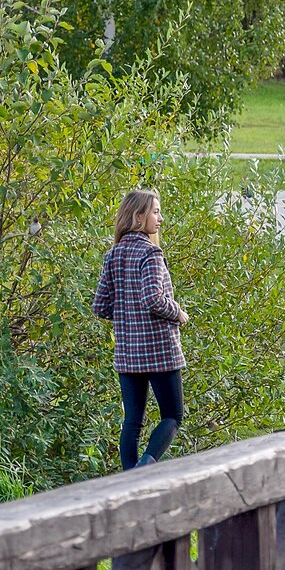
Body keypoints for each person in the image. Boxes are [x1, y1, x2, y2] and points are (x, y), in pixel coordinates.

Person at [92, 189, 189, 469]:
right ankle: (146, 467)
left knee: (132, 421)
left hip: (128, 354)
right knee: (172, 415)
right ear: (138, 216)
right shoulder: (151, 253)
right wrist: (179, 314)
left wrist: (125, 314)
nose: (160, 218)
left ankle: (127, 478)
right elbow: (153, 299)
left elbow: (100, 306)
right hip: (159, 350)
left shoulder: (113, 255)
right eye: (155, 212)